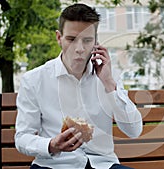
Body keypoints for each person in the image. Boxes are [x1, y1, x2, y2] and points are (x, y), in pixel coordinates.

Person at [15, 3, 143, 169]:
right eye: (71, 39)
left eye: (87, 40)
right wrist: (51, 145)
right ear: (59, 38)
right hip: (54, 165)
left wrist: (109, 84)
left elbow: (134, 130)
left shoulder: (108, 76)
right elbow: (22, 137)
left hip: (102, 164)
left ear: (96, 41)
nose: (79, 49)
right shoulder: (34, 80)